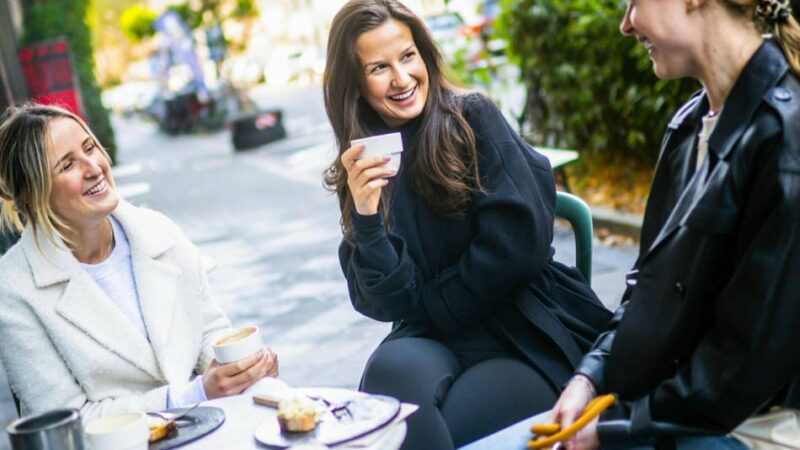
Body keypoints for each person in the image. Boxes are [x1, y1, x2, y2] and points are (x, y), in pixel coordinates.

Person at [461, 1, 800, 449]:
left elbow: (744, 368)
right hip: (662, 410)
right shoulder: (687, 126)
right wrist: (589, 375)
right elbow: (648, 289)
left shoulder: (785, 139)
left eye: (633, 2)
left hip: (744, 432)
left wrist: (611, 430)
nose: (625, 25)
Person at [322, 1, 613, 448]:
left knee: (420, 433)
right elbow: (385, 302)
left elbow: (517, 246)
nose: (401, 79)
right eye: (379, 67)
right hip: (432, 336)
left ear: (424, 55)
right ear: (355, 85)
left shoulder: (471, 117)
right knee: (389, 376)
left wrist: (429, 304)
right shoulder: (363, 165)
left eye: (407, 56)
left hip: (521, 328)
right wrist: (366, 219)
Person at [0, 104, 279, 423]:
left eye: (90, 148)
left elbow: (209, 332)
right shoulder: (14, 289)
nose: (93, 167)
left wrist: (243, 367)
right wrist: (194, 394)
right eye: (67, 165)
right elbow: (69, 422)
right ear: (33, 196)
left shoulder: (156, 230)